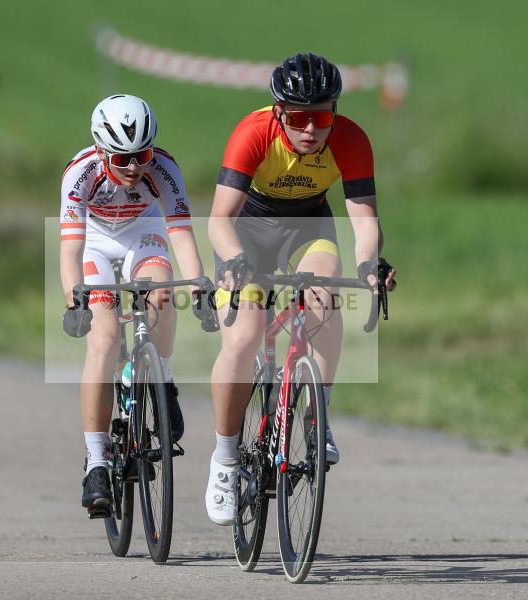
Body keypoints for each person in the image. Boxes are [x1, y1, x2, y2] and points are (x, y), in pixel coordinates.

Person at [205, 52, 398, 525]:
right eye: (298, 117)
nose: (310, 128)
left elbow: (364, 220)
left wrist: (370, 266)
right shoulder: (253, 133)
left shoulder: (350, 140)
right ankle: (225, 461)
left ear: (335, 114)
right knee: (244, 338)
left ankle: (318, 420)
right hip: (246, 231)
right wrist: (234, 263)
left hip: (307, 224)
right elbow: (218, 220)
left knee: (326, 293)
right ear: (278, 112)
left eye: (322, 116)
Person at [60, 94, 215, 517]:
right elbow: (70, 250)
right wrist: (75, 300)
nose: (134, 167)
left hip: (142, 233)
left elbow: (182, 234)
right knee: (105, 339)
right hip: (95, 240)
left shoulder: (163, 169)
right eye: (123, 158)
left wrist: (200, 286)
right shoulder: (80, 174)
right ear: (100, 150)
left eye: (142, 155)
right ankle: (96, 463)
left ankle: (162, 381)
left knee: (162, 293)